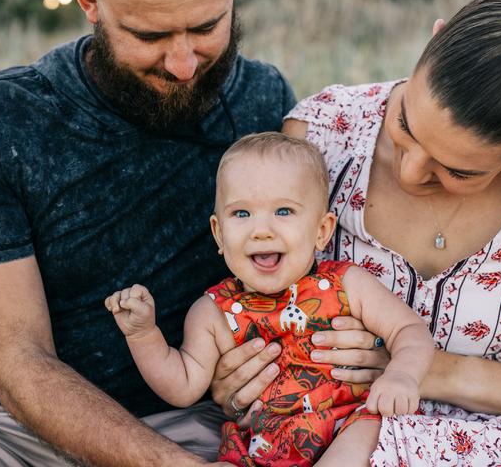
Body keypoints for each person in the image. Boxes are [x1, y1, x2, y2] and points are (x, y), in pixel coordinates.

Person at [0, 0, 318, 464]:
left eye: (207, 27)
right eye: (149, 36)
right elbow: (19, 363)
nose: (184, 65)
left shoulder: (263, 98)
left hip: (211, 422)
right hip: (37, 434)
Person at [279, 0, 501, 464]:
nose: (409, 172)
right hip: (324, 423)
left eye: (458, 171)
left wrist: (430, 370)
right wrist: (234, 371)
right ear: (432, 39)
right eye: (404, 125)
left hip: (500, 446)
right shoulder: (323, 131)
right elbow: (256, 293)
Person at [104, 132, 435, 466]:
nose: (261, 230)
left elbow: (409, 330)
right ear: (219, 233)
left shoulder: (346, 284)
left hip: (349, 421)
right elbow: (183, 386)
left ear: (321, 231)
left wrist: (401, 375)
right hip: (263, 444)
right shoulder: (213, 312)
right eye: (242, 214)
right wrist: (143, 335)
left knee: (362, 439)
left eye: (283, 211)